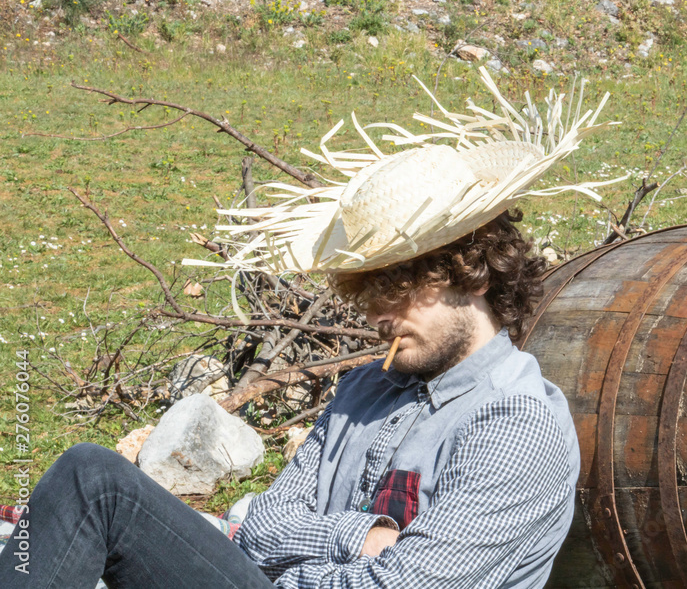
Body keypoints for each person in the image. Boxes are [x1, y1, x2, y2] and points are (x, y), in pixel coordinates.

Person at [0, 69, 617, 588]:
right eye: (366, 292)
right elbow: (261, 526)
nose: (376, 316)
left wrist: (289, 571)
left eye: (396, 290)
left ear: (473, 273)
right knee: (92, 478)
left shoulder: (515, 422)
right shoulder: (364, 392)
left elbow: (407, 581)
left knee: (96, 484)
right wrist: (360, 535)